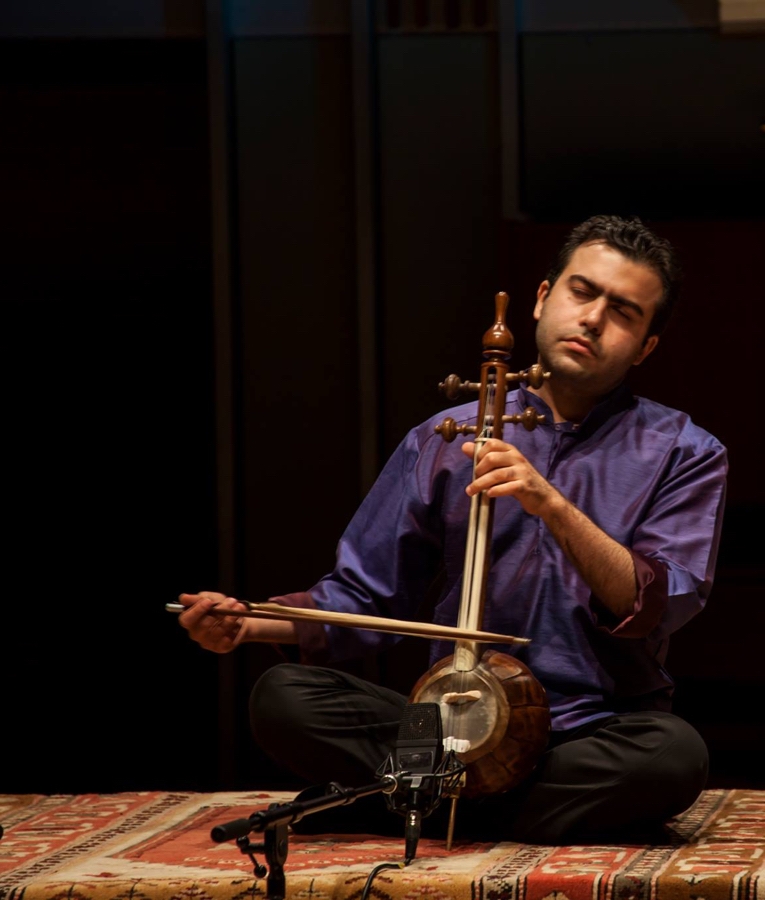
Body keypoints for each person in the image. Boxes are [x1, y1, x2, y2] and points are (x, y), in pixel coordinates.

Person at [176, 214, 729, 845]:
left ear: (647, 345)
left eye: (625, 311)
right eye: (582, 292)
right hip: (448, 722)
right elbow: (366, 599)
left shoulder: (685, 450)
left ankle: (410, 803)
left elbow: (656, 602)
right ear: (545, 297)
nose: (594, 319)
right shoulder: (443, 437)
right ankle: (472, 805)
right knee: (283, 697)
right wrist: (248, 622)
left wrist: (551, 503)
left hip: (587, 728)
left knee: (672, 756)